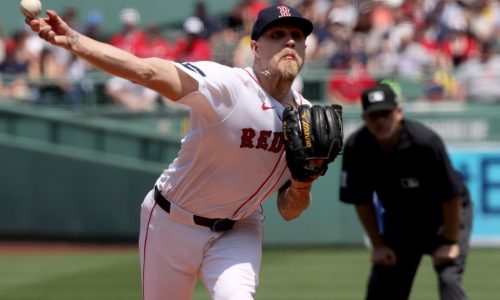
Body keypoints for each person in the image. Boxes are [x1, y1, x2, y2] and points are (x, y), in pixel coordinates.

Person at [26, 4, 319, 300]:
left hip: (239, 229)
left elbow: (289, 210)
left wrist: (303, 183)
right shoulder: (229, 86)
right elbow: (147, 71)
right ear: (256, 48)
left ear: (306, 47)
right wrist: (76, 41)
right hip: (172, 222)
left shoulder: (309, 121)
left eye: (297, 35)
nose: (290, 41)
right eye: (277, 34)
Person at [339, 83, 473, 300]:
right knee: (383, 283)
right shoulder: (358, 147)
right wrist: (378, 245)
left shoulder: (425, 142)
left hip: (444, 216)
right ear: (365, 119)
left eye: (386, 113)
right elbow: (361, 200)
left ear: (399, 112)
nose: (381, 120)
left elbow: (451, 196)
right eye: (374, 116)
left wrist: (449, 242)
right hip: (401, 220)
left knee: (449, 278)